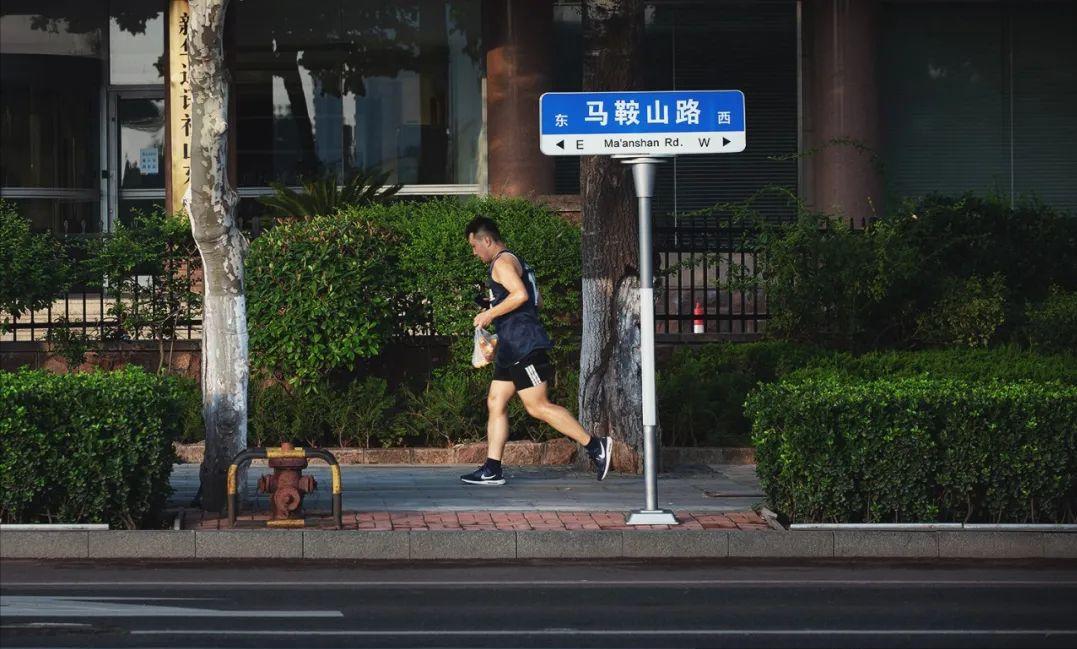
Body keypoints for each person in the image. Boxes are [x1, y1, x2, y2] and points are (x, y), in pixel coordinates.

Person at [460, 215, 612, 486]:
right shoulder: (516, 260)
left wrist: (489, 314)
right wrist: (494, 305)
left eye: (474, 246)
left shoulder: (501, 263)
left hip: (523, 346)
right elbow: (536, 300)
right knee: (496, 401)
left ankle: (595, 446)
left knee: (537, 406)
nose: (474, 253)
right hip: (511, 346)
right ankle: (492, 469)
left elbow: (521, 296)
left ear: (487, 240)